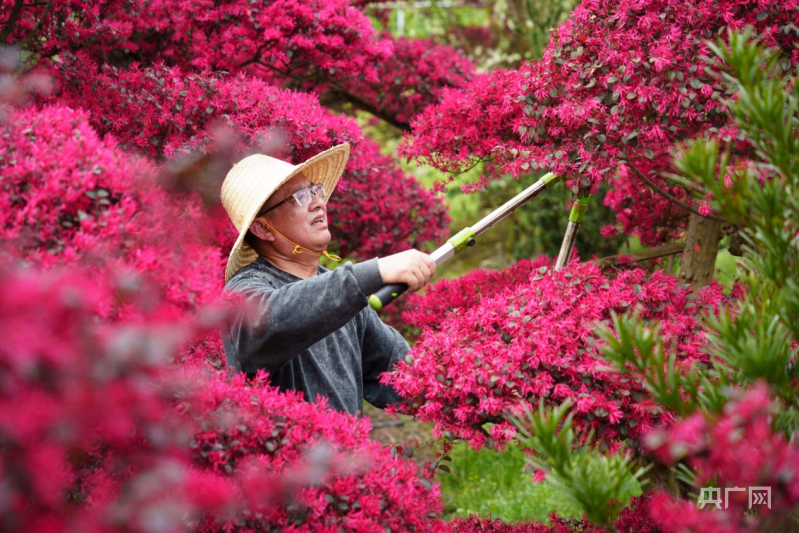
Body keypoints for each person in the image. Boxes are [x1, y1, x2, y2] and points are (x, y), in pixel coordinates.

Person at [219, 143, 436, 415]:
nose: (318, 202)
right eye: (298, 196)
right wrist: (373, 273)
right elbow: (271, 322)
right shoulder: (242, 292)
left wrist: (479, 388)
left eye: (314, 190)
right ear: (263, 228)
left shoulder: (342, 293)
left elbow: (400, 372)